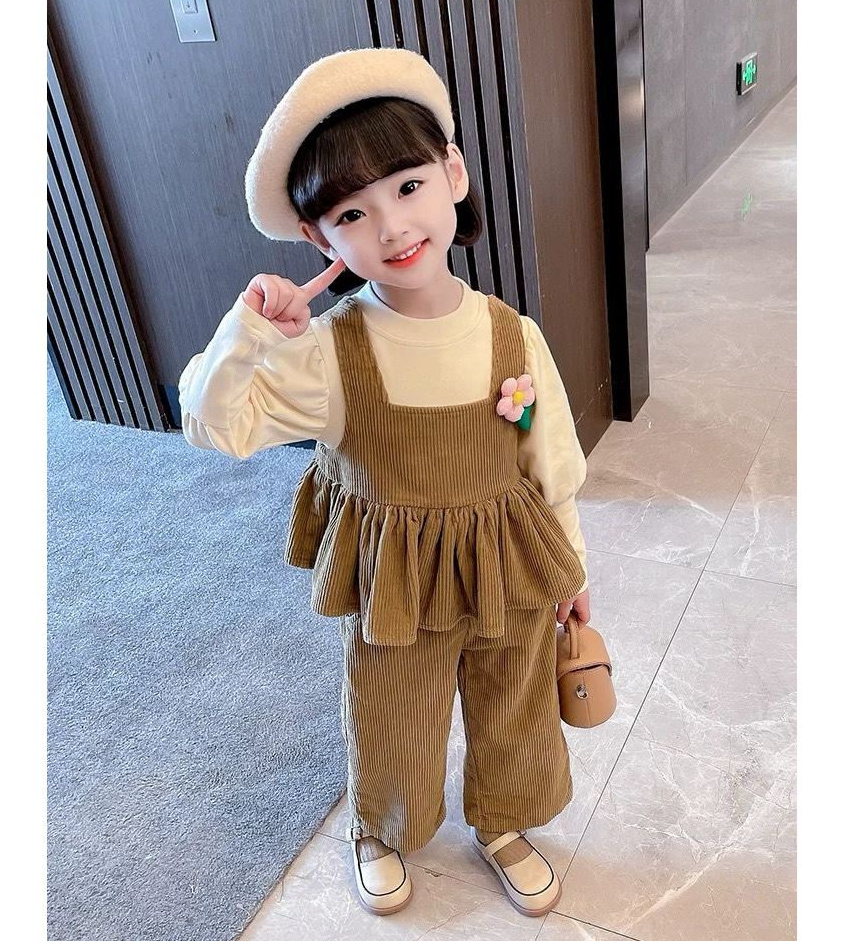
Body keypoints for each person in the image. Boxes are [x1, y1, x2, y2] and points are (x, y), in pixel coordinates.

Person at [178, 47, 591, 919]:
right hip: (395, 578)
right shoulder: (329, 353)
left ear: (453, 174)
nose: (393, 228)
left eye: (408, 187)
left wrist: (574, 568)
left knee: (514, 697)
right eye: (352, 214)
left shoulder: (511, 333)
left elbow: (550, 464)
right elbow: (215, 424)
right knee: (392, 709)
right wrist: (252, 334)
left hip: (508, 563)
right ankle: (382, 829)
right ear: (318, 240)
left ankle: (504, 821)